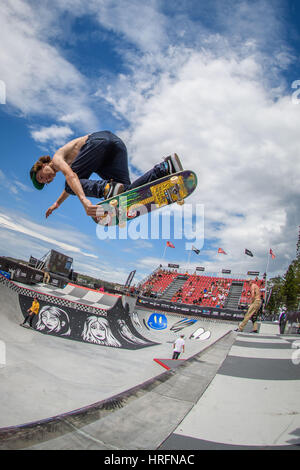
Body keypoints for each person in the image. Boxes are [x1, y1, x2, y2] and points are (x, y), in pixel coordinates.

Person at [29, 131, 183, 219]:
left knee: (71, 185)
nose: (46, 180)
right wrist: (57, 203)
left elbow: (72, 179)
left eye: (41, 177)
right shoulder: (68, 167)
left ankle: (106, 188)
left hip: (98, 142)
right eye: (45, 182)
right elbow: (73, 185)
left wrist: (85, 201)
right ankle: (164, 168)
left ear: (41, 166)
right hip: (115, 146)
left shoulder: (57, 158)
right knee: (126, 194)